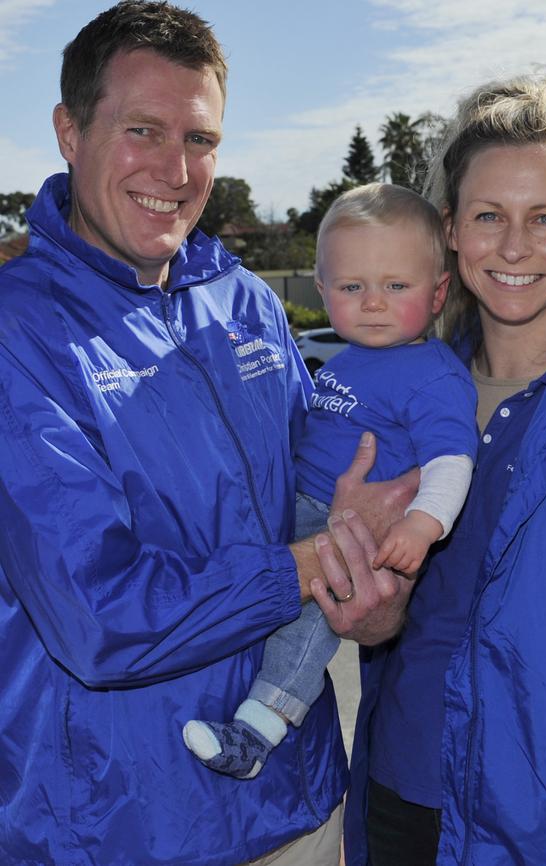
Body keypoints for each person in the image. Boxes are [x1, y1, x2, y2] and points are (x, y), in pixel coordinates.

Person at [0, 4, 417, 865]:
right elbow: (98, 616)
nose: (176, 169)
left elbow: (328, 494)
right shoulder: (18, 330)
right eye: (142, 130)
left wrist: (375, 586)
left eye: (201, 138)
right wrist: (309, 569)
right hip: (119, 830)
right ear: (69, 131)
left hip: (299, 807)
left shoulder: (250, 303)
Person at [344, 69, 546, 866]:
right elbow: (383, 628)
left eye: (545, 217)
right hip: (400, 803)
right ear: (450, 229)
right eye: (488, 216)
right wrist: (361, 576)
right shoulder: (403, 393)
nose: (513, 247)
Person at [182, 183, 478, 780]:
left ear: (439, 291)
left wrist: (424, 523)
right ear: (323, 291)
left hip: (344, 524)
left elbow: (453, 460)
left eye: (396, 286)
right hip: (293, 505)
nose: (373, 303)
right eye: (352, 287)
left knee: (307, 625)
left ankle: (257, 732)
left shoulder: (433, 374)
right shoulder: (343, 361)